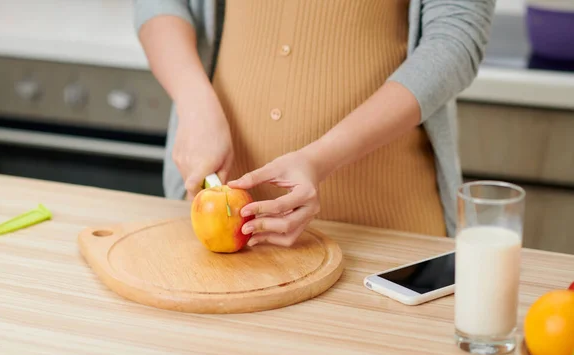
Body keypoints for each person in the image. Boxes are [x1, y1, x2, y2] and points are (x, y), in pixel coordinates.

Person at [134, 0, 495, 247]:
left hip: (381, 240)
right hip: (218, 232)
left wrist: (321, 158)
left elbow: (455, 41)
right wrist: (194, 102)